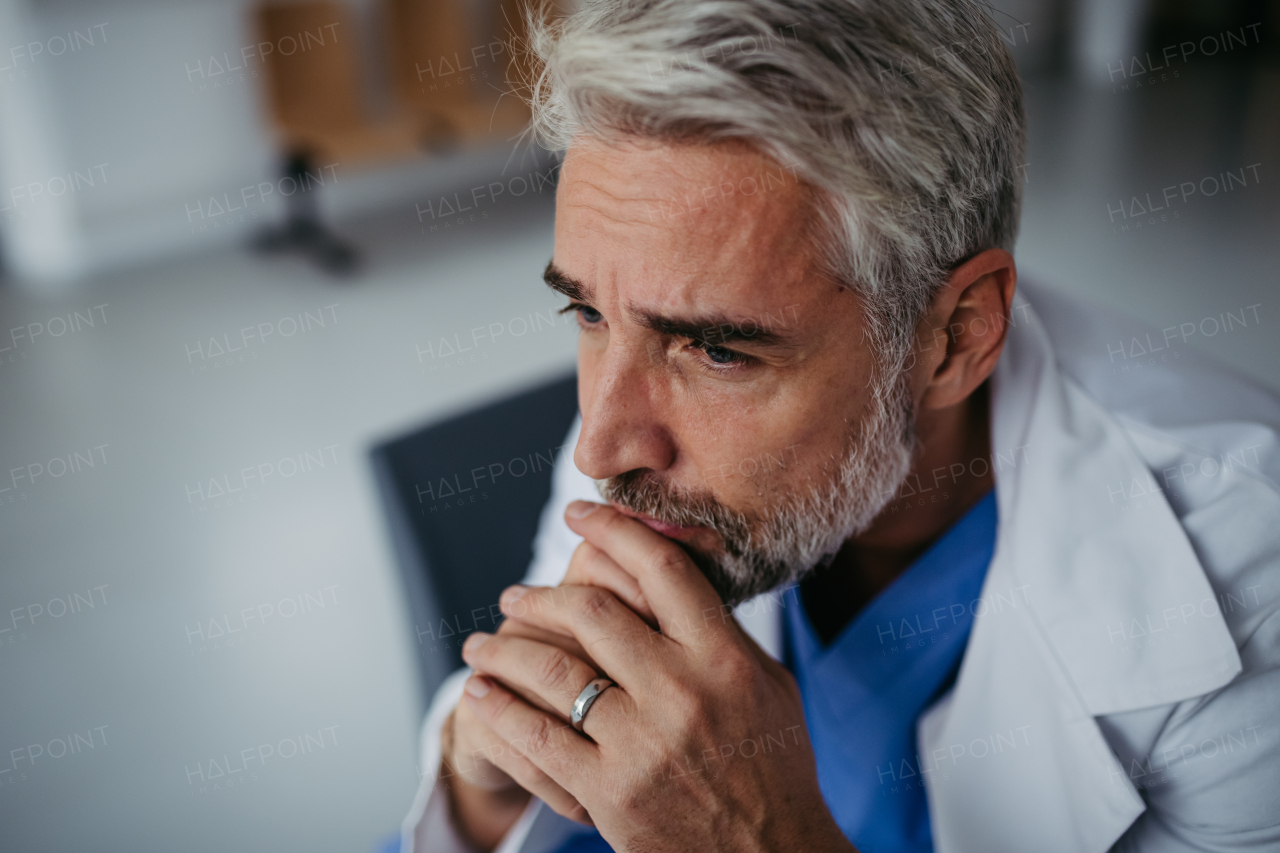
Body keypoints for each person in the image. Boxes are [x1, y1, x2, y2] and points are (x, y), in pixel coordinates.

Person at [397, 0, 1280, 850]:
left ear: (955, 337)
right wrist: (481, 793)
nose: (600, 445)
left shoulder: (1251, 585)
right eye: (587, 314)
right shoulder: (650, 441)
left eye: (716, 351)